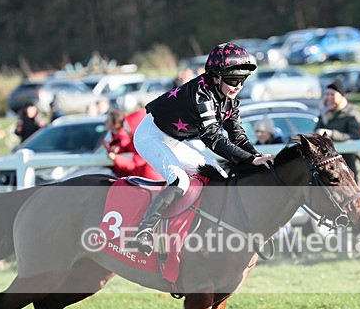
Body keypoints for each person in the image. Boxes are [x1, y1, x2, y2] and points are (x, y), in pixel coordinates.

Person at [126, 42, 274, 256]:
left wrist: (259, 157)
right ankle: (144, 231)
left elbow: (238, 137)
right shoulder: (201, 93)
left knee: (219, 176)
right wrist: (250, 160)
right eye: (233, 80)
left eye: (242, 80)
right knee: (180, 180)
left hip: (174, 140)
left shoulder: (229, 101)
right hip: (151, 135)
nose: (238, 86)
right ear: (216, 77)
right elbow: (213, 139)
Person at [315, 80, 360, 178]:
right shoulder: (325, 113)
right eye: (327, 94)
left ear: (341, 95)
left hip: (349, 163)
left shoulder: (351, 113)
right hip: (330, 164)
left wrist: (332, 134)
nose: (329, 97)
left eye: (332, 94)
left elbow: (355, 135)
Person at [103, 109, 161, 179]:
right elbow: (128, 148)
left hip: (149, 179)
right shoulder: (136, 139)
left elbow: (134, 164)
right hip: (142, 178)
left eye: (128, 128)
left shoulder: (144, 143)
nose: (127, 131)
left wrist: (116, 158)